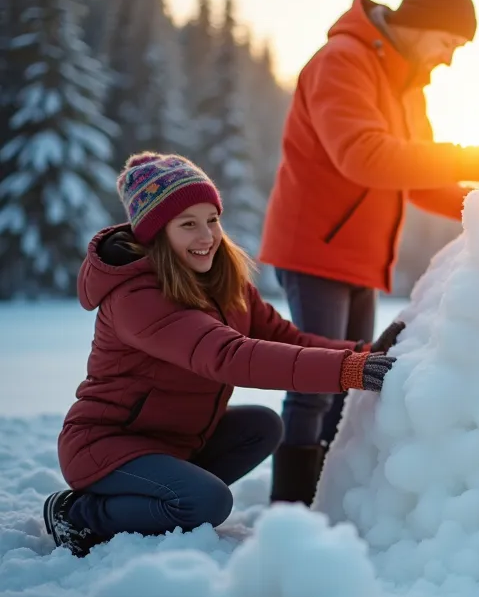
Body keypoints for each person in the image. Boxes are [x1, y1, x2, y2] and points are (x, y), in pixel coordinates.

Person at [43, 153, 398, 558]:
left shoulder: (222, 280)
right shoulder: (137, 297)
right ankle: (79, 514)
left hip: (174, 442)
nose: (206, 236)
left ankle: (165, 496)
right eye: (188, 224)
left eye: (211, 219)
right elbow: (228, 355)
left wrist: (365, 352)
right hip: (108, 445)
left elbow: (286, 337)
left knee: (261, 426)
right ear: (156, 234)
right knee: (205, 503)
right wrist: (349, 371)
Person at [257, 0, 479, 504]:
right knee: (313, 386)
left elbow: (419, 180)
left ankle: (324, 502)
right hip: (314, 250)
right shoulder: (343, 62)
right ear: (420, 23)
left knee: (347, 383)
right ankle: (288, 509)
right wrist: (472, 158)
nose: (448, 58)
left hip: (358, 259)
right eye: (448, 42)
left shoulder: (406, 86)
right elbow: (363, 155)